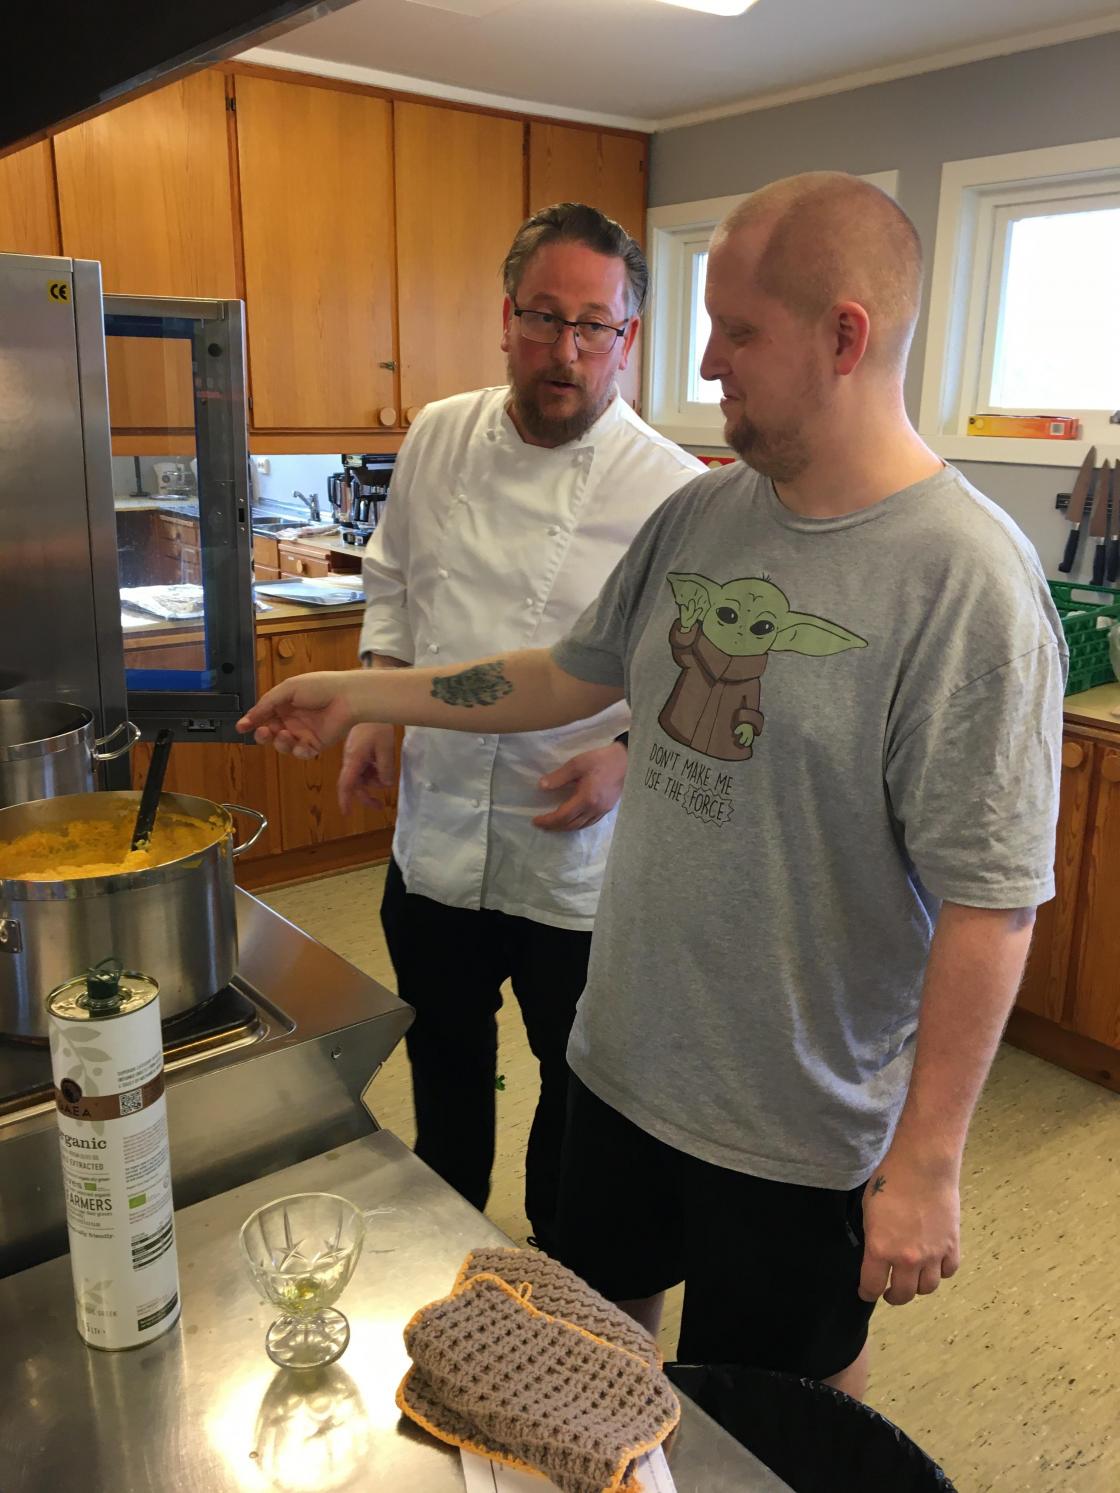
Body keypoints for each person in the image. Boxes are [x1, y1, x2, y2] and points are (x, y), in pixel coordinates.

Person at [239, 172, 1066, 1399]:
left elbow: (992, 900)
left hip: (793, 1117)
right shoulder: (706, 512)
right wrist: (367, 692)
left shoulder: (967, 583)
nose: (706, 362)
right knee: (599, 1354)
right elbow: (561, 674)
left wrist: (929, 1158)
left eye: (736, 331)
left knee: (769, 1415)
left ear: (843, 335)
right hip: (621, 1057)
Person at [338, 202, 705, 1254]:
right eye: (545, 318)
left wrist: (627, 757)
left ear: (628, 338)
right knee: (443, 1056)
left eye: (594, 326)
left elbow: (701, 675)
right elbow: (394, 580)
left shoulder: (674, 492)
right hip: (440, 829)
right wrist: (377, 699)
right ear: (506, 317)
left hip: (574, 856)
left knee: (572, 1074)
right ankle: (445, 1235)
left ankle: (556, 1257)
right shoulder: (438, 433)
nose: (566, 350)